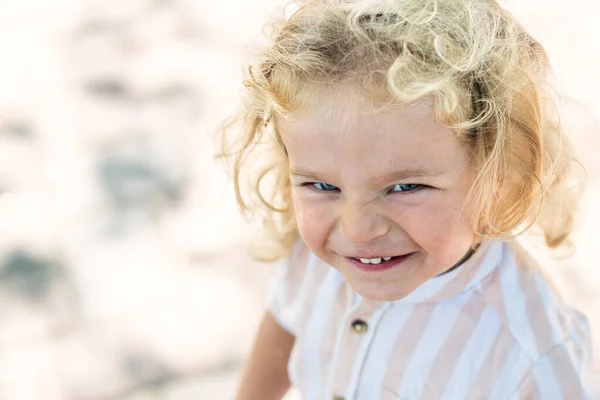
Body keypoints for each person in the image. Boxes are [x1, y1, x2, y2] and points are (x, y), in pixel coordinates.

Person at [218, 0, 598, 398]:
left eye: (403, 188)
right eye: (323, 187)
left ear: (498, 175)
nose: (357, 229)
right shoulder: (313, 256)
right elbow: (284, 322)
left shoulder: (535, 359)